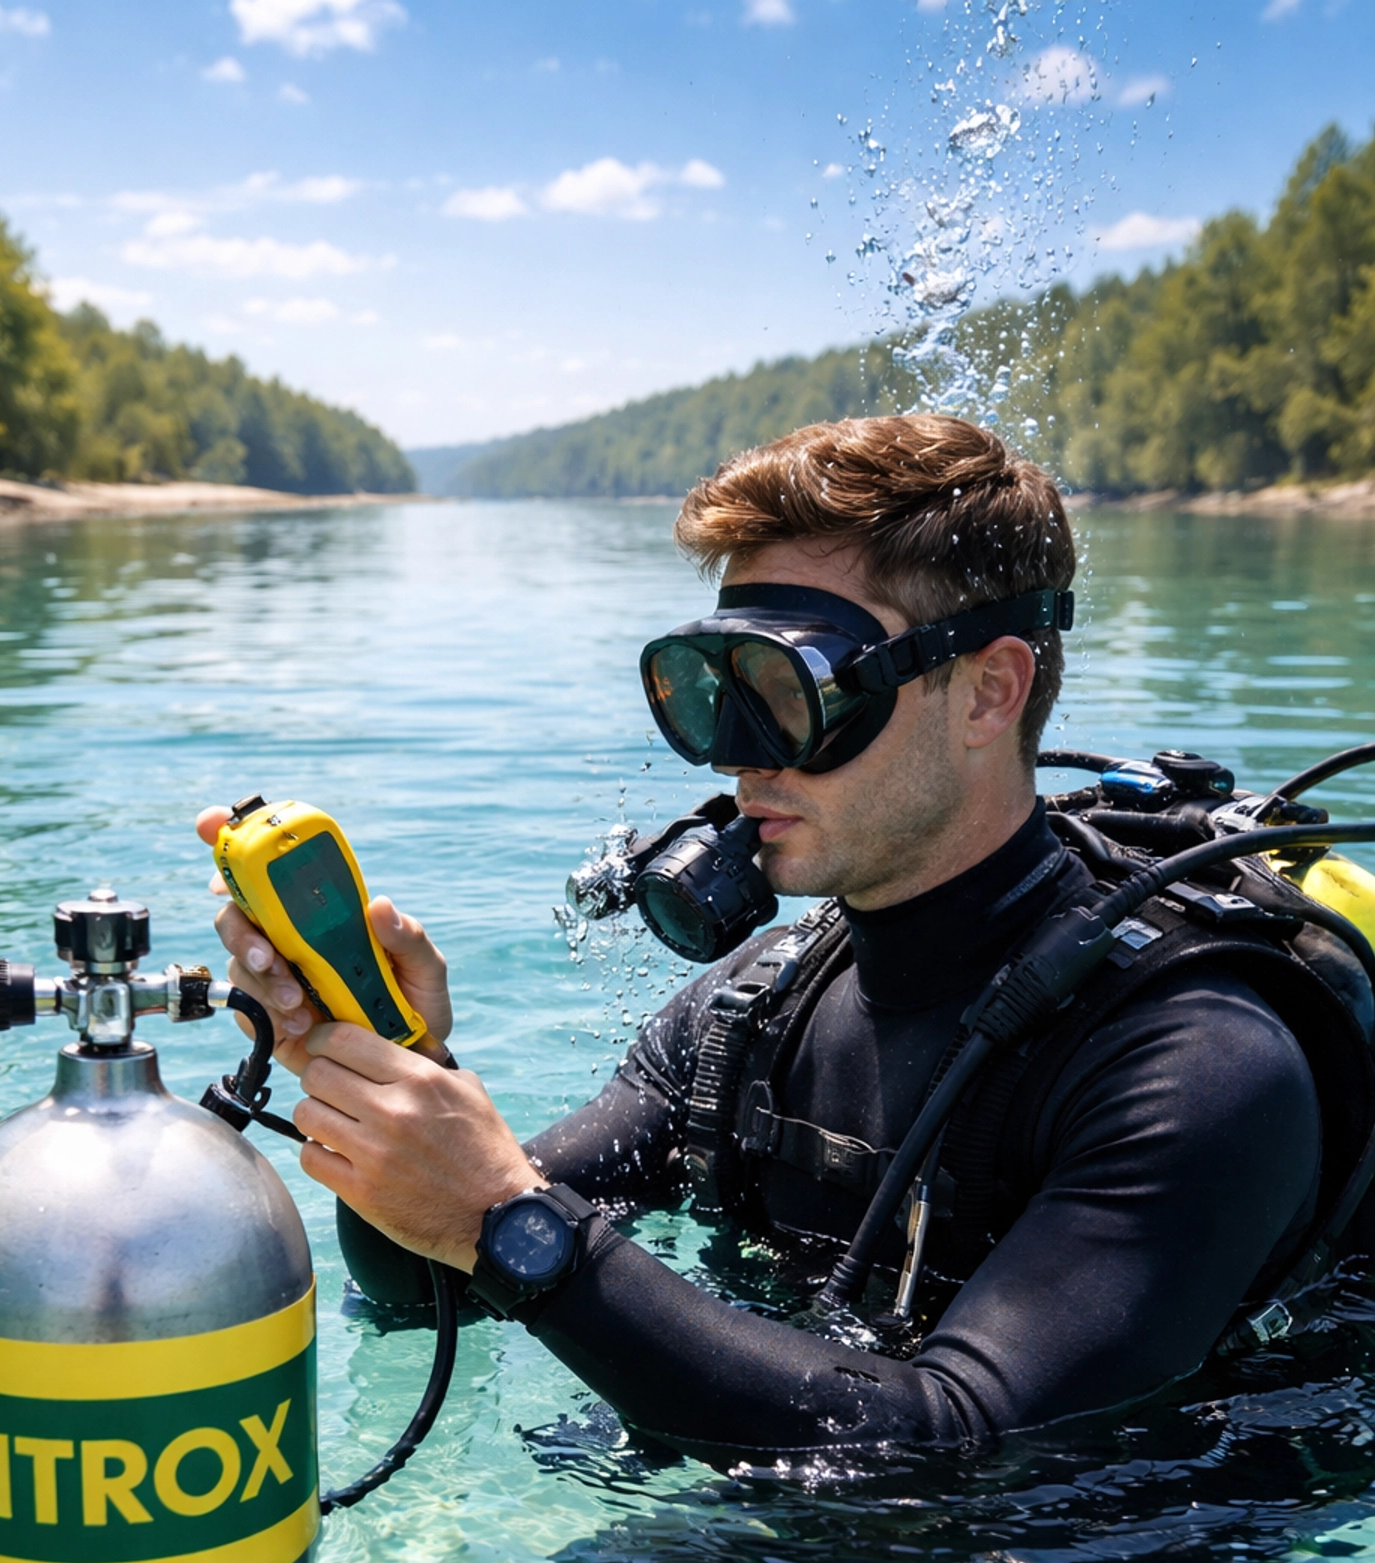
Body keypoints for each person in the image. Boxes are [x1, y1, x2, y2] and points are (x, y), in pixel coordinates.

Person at [197, 413, 1327, 1464]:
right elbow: (419, 1285)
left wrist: (510, 1222)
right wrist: (396, 1076)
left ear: (989, 693)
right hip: (799, 1504)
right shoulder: (759, 1005)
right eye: (713, 688)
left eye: (790, 690)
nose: (740, 758)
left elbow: (964, 1443)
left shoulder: (1195, 1059)